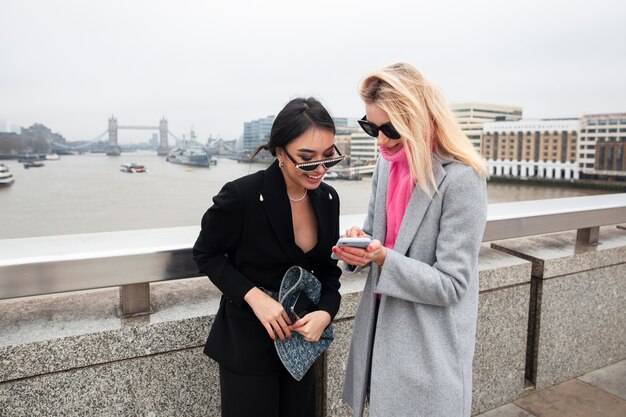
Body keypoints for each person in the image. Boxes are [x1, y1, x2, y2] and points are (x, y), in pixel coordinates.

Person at [335, 63, 489, 417]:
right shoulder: (387, 165)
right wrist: (358, 245)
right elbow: (376, 233)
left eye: (389, 129)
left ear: (418, 119)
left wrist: (383, 258)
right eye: (370, 127)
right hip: (379, 340)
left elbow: (452, 284)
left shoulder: (463, 179)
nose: (380, 140)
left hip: (427, 352)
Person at [193, 97, 344, 417]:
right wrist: (254, 298)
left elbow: (328, 272)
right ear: (279, 153)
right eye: (306, 158)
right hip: (247, 346)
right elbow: (206, 253)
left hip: (302, 345)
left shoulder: (328, 198)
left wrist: (326, 313)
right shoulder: (242, 195)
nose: (319, 169)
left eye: (327, 157)